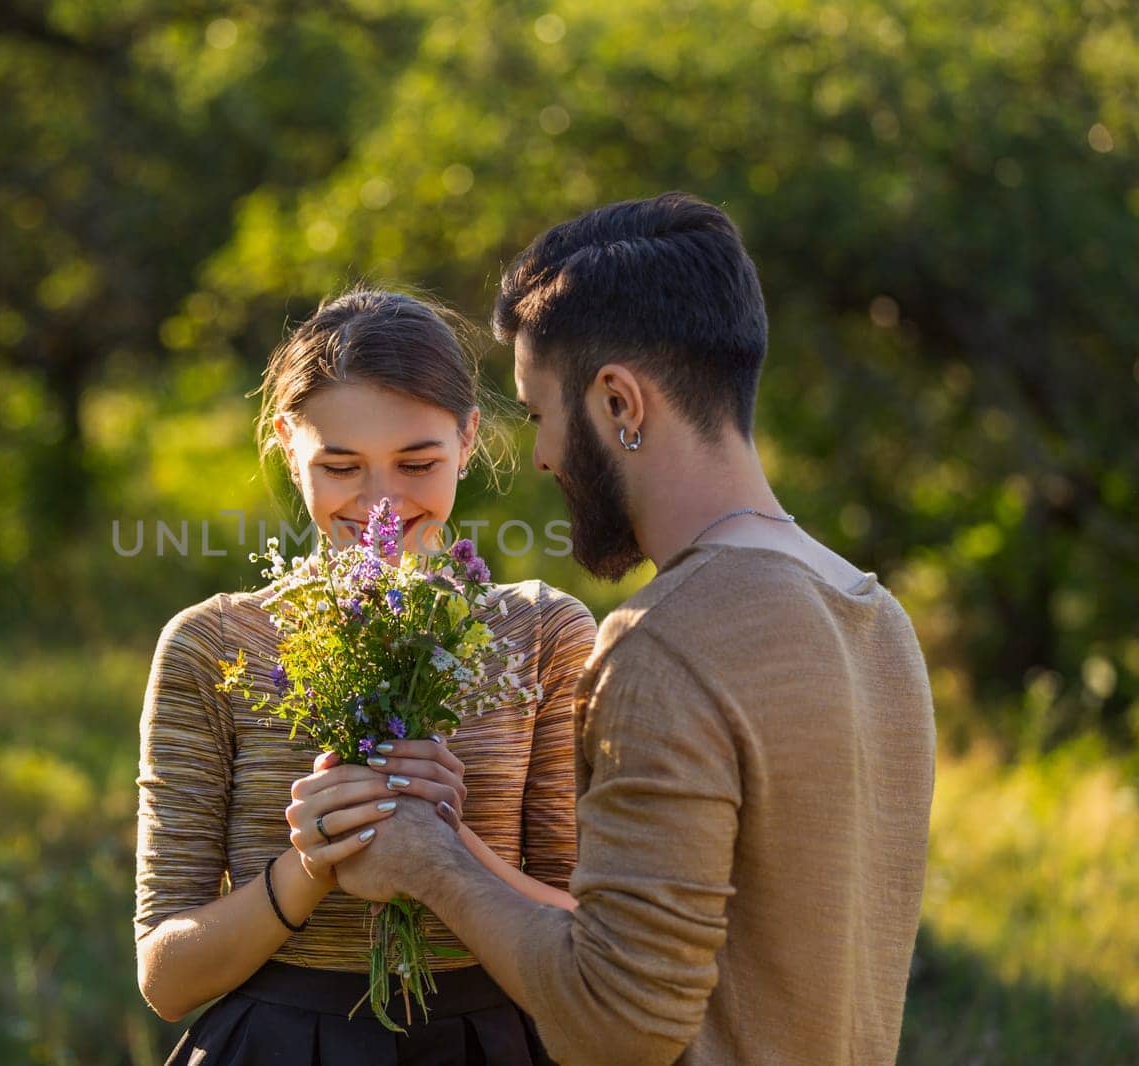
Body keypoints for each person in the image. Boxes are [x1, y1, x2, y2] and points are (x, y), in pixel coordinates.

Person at [313, 194, 937, 1065]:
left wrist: (427, 867)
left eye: (539, 415)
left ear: (619, 404)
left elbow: (618, 1020)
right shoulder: (875, 616)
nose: (538, 457)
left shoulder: (665, 643)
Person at [133, 288, 598, 1063]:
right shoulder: (214, 643)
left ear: (469, 438)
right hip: (278, 1042)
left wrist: (443, 848)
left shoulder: (542, 635)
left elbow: (589, 933)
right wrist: (313, 864)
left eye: (418, 462)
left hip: (490, 1038)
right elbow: (167, 979)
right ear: (287, 443)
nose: (381, 500)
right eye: (340, 466)